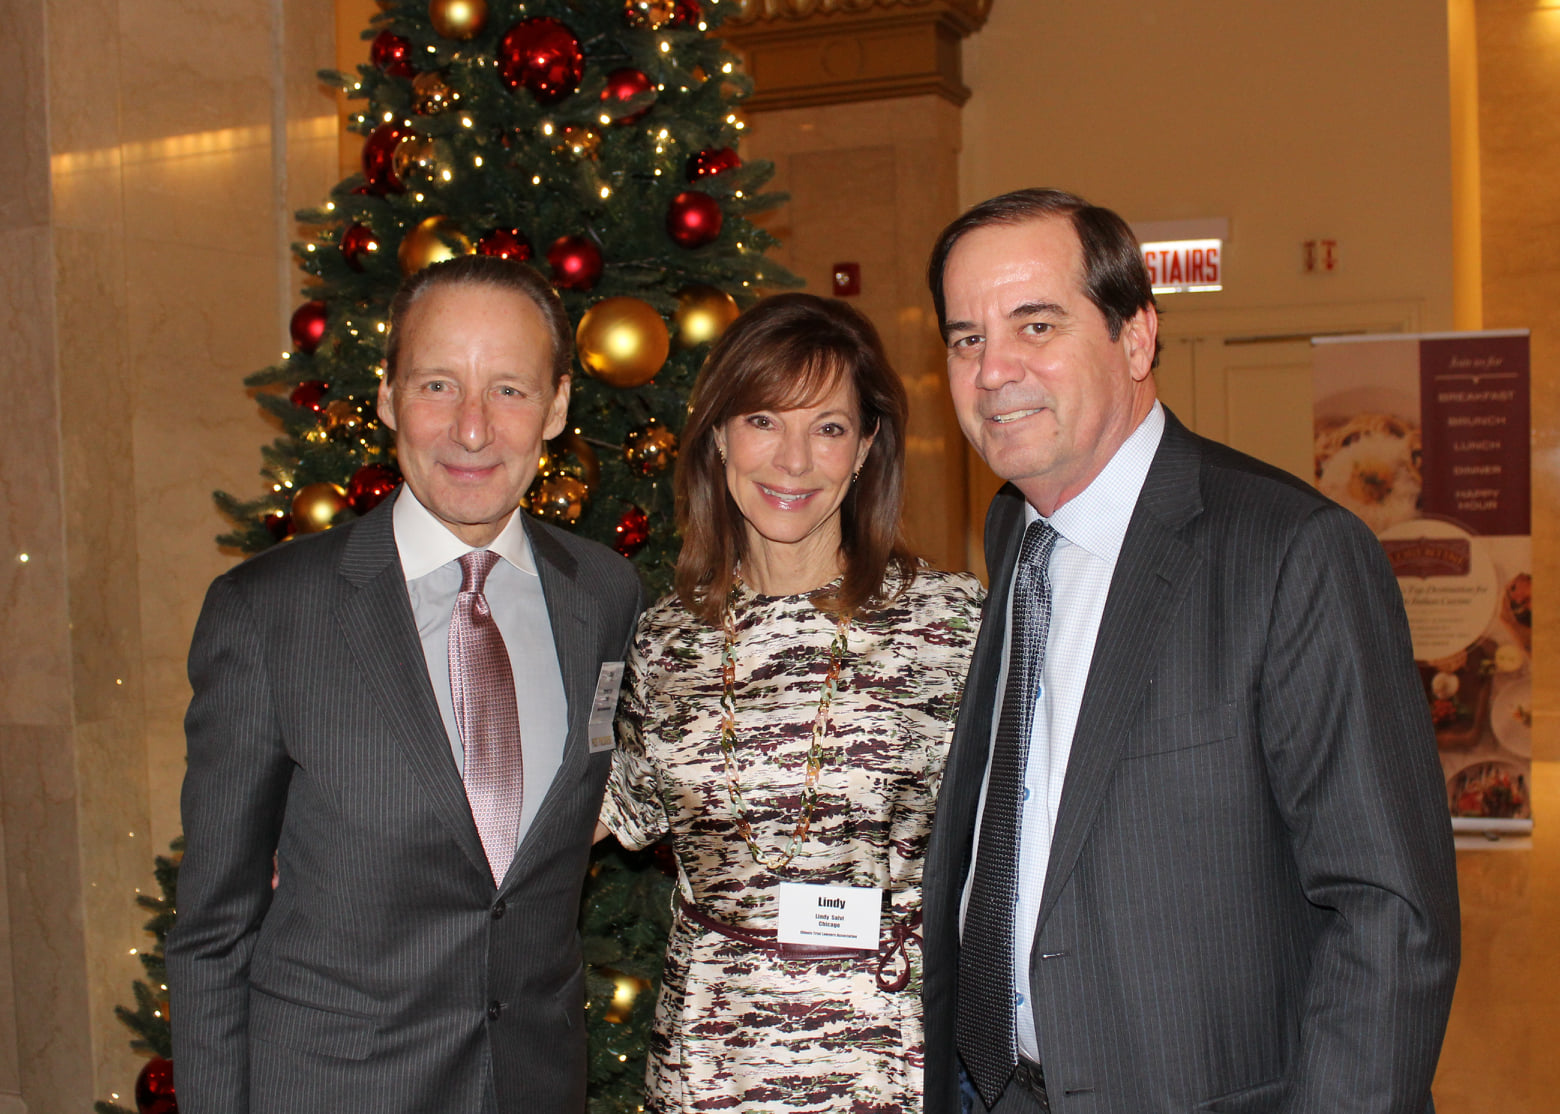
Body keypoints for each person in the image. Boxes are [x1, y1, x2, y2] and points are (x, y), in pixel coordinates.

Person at [918, 188, 1461, 1114]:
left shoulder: (1292, 552)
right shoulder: (1016, 535)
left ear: (1136, 337)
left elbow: (1389, 914)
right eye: (967, 338)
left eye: (1036, 325)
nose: (994, 370)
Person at [167, 254, 643, 1114]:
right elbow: (213, 933)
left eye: (508, 390)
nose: (472, 430)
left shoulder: (605, 596)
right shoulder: (269, 614)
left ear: (558, 407)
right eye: (437, 385)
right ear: (387, 397)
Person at [599, 292, 984, 1113]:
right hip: (707, 1063)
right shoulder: (665, 640)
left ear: (867, 445)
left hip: (887, 1060)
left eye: (829, 427)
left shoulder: (950, 624)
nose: (794, 460)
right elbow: (587, 814)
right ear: (718, 436)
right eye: (763, 420)